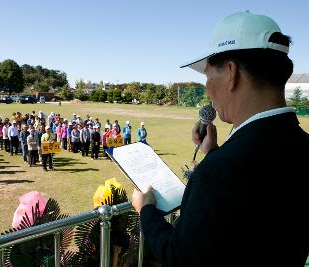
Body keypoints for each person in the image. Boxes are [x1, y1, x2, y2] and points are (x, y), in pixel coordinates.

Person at [132, 11, 309, 267]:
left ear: (231, 72)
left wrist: (146, 210)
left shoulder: (220, 171)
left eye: (207, 75)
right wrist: (214, 152)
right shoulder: (302, 146)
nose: (206, 87)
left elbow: (179, 257)